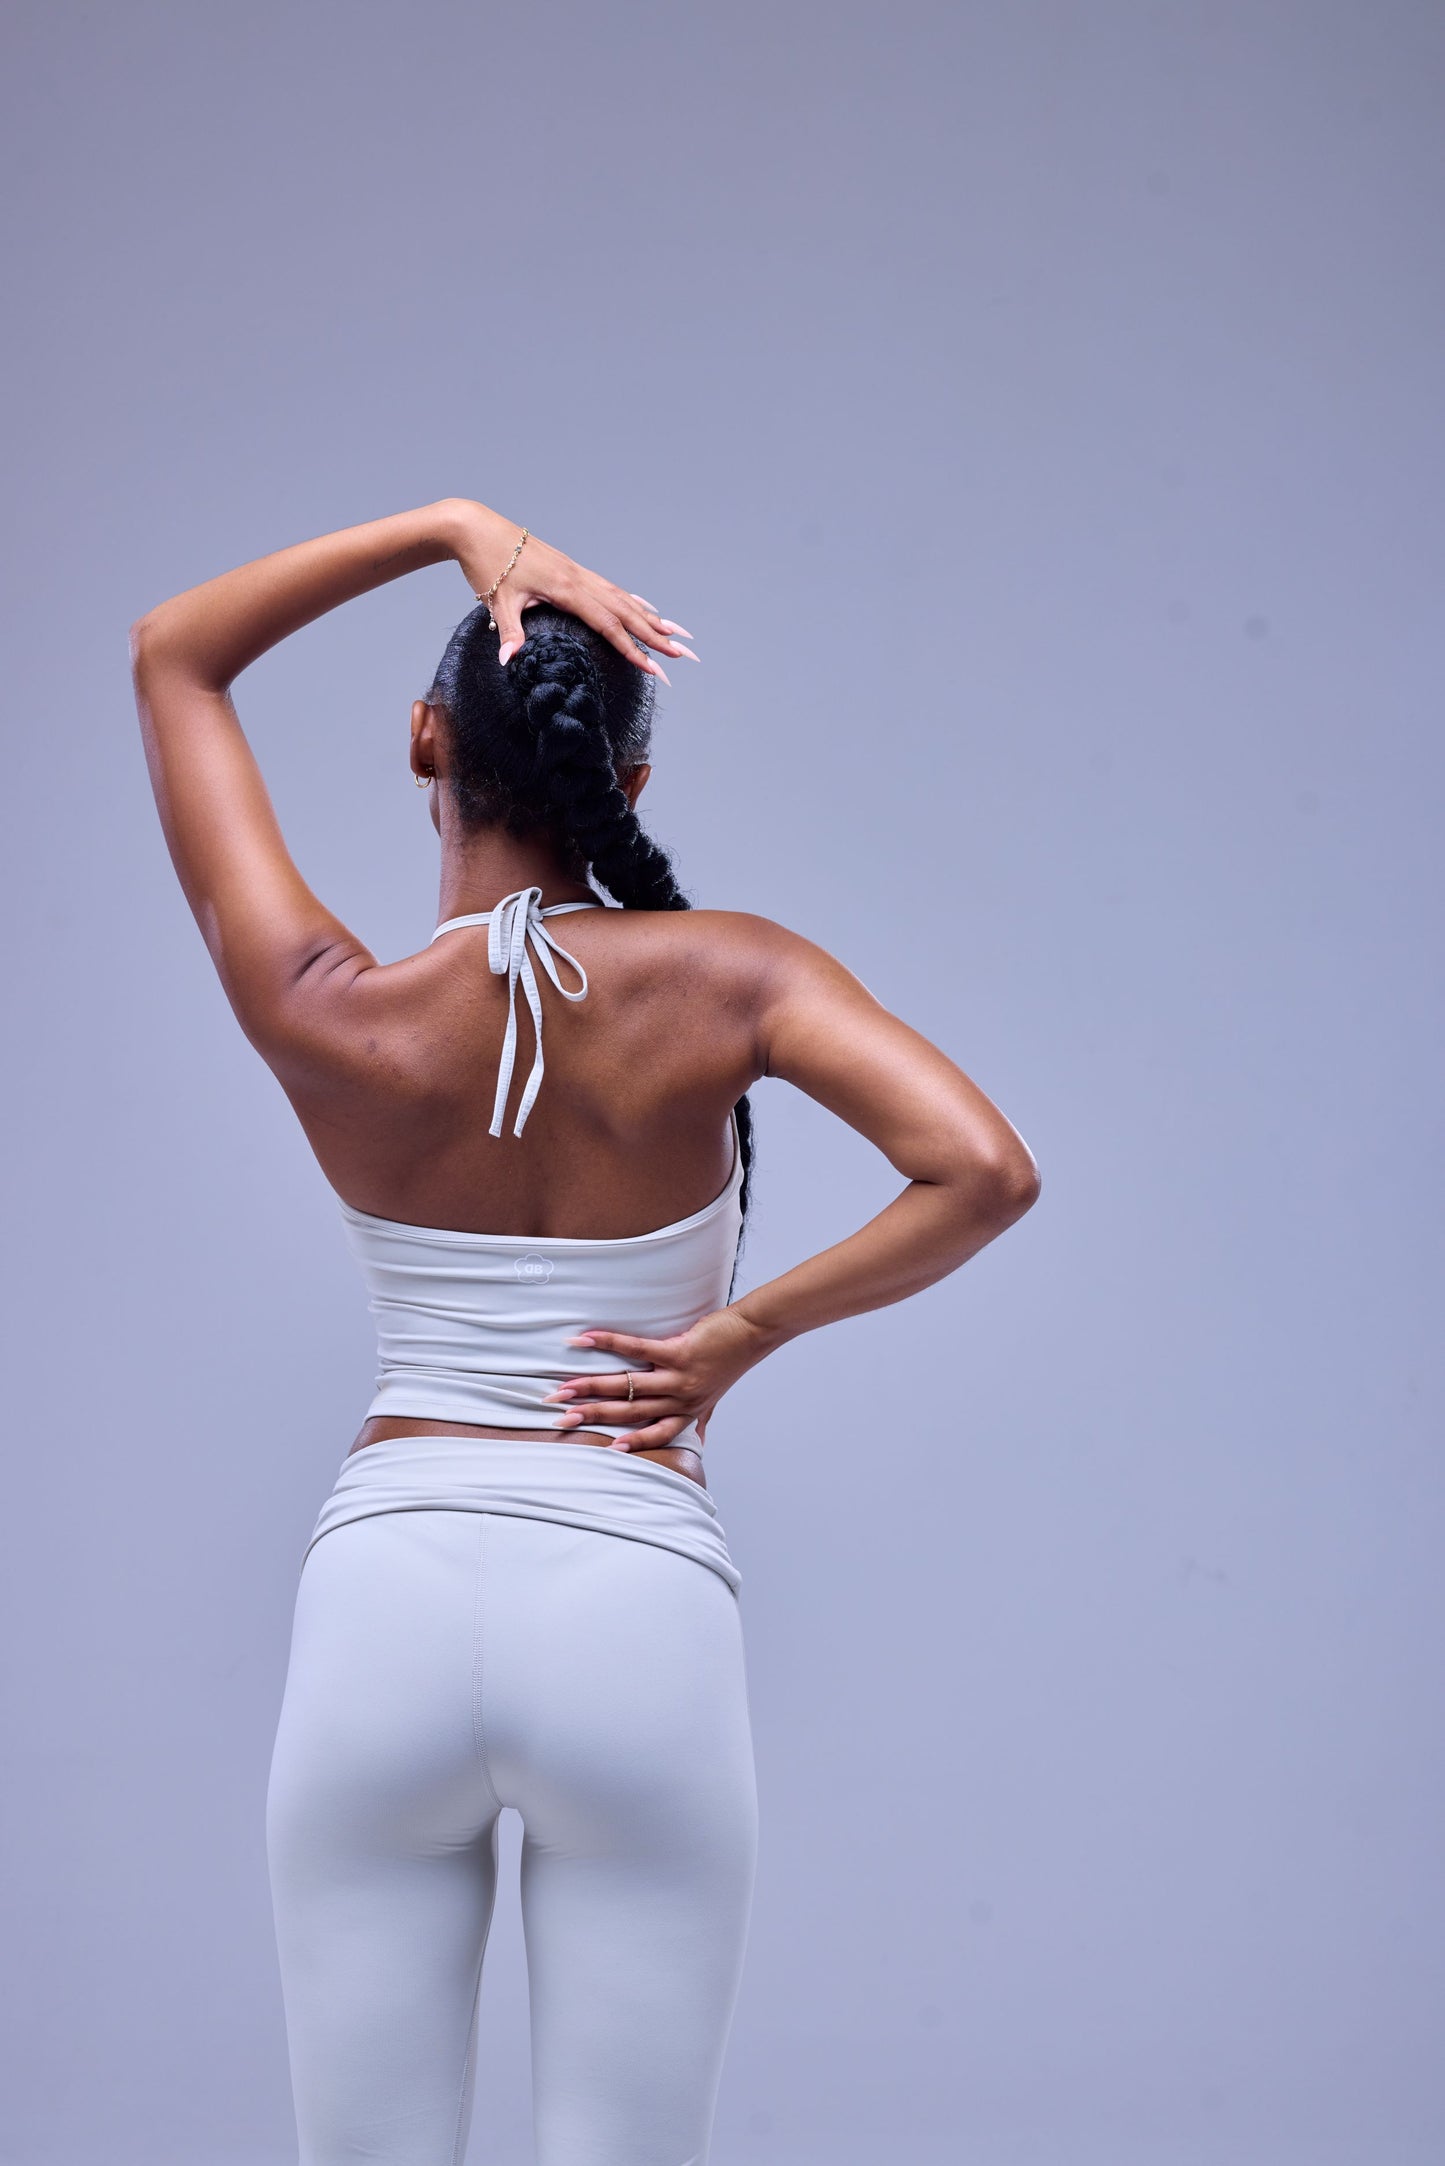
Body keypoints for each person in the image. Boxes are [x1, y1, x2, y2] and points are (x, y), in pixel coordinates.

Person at [130, 495, 1041, 2166]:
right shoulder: (731, 975)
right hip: (632, 1597)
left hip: (383, 1598)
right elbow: (980, 1170)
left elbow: (174, 656)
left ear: (424, 741)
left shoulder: (324, 1002)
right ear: (629, 786)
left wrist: (454, 528)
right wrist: (741, 1331)